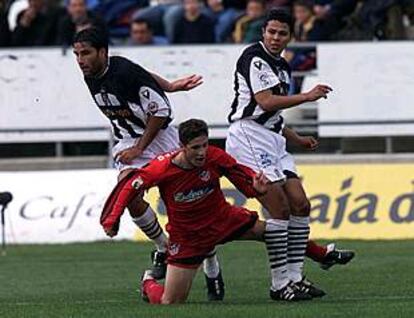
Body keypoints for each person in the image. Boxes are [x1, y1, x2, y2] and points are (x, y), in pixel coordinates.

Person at [72, 28, 225, 300]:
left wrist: (139, 148)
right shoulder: (92, 74)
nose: (80, 59)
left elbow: (161, 111)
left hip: (159, 138)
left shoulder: (124, 72)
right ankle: (164, 247)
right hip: (129, 139)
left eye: (85, 53)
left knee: (190, 206)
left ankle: (212, 264)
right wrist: (169, 85)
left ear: (102, 52)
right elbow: (147, 78)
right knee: (128, 191)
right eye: (76, 54)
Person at [100, 118, 314, 303]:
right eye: (195, 148)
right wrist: (112, 220)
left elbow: (240, 173)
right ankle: (148, 282)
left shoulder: (215, 156)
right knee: (170, 301)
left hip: (224, 221)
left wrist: (253, 187)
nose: (202, 152)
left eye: (204, 145)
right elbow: (129, 186)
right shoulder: (161, 168)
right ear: (182, 146)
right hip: (188, 237)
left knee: (276, 229)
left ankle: (281, 285)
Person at [225, 9, 353, 295]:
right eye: (271, 31)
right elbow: (266, 102)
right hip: (249, 136)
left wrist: (296, 137)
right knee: (279, 210)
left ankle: (295, 277)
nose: (275, 37)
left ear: (290, 36)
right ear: (263, 32)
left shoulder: (282, 66)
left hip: (272, 138)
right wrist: (307, 96)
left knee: (301, 205)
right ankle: (280, 283)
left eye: (282, 33)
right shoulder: (254, 57)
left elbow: (274, 116)